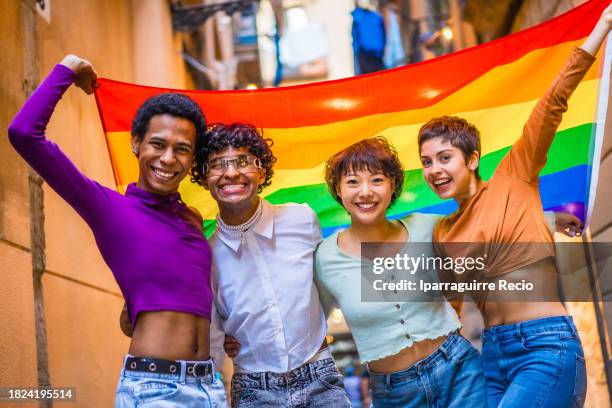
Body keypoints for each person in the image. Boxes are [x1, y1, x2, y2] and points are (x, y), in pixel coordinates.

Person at [418, 6, 612, 407]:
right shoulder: (444, 232)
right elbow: (451, 311)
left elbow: (552, 103)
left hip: (545, 347)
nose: (434, 170)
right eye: (426, 162)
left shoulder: (513, 176)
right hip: (493, 357)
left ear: (472, 159)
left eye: (444, 157)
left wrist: (603, 27)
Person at [8, 55, 225, 407]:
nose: (168, 158)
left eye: (182, 150)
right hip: (156, 389)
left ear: (191, 159)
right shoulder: (108, 208)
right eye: (158, 144)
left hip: (209, 386)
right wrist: (68, 69)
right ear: (136, 143)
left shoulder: (193, 218)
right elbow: (24, 134)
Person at [315, 137, 485, 407]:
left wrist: (551, 219)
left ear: (393, 184)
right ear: (338, 189)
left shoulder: (427, 228)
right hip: (395, 394)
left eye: (377, 180)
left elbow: (487, 226)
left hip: (460, 372)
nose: (365, 192)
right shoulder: (324, 257)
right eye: (352, 182)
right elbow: (308, 328)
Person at [190, 123, 351, 407]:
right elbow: (214, 331)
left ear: (261, 171)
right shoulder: (206, 254)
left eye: (243, 162)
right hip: (253, 390)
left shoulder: (302, 219)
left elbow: (323, 286)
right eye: (217, 165)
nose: (231, 173)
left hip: (319, 375)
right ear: (205, 179)